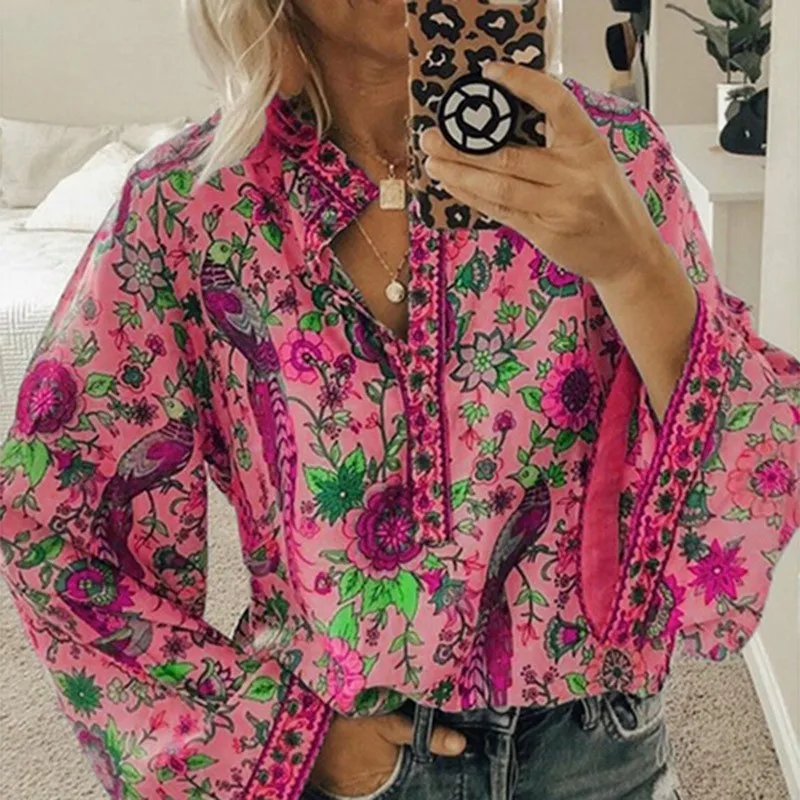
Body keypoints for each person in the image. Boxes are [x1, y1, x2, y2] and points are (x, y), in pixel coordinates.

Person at [0, 1, 797, 799]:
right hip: (339, 745)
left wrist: (630, 264)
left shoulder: (611, 159)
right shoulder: (193, 205)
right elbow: (49, 513)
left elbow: (748, 469)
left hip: (596, 751)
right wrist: (267, 733)